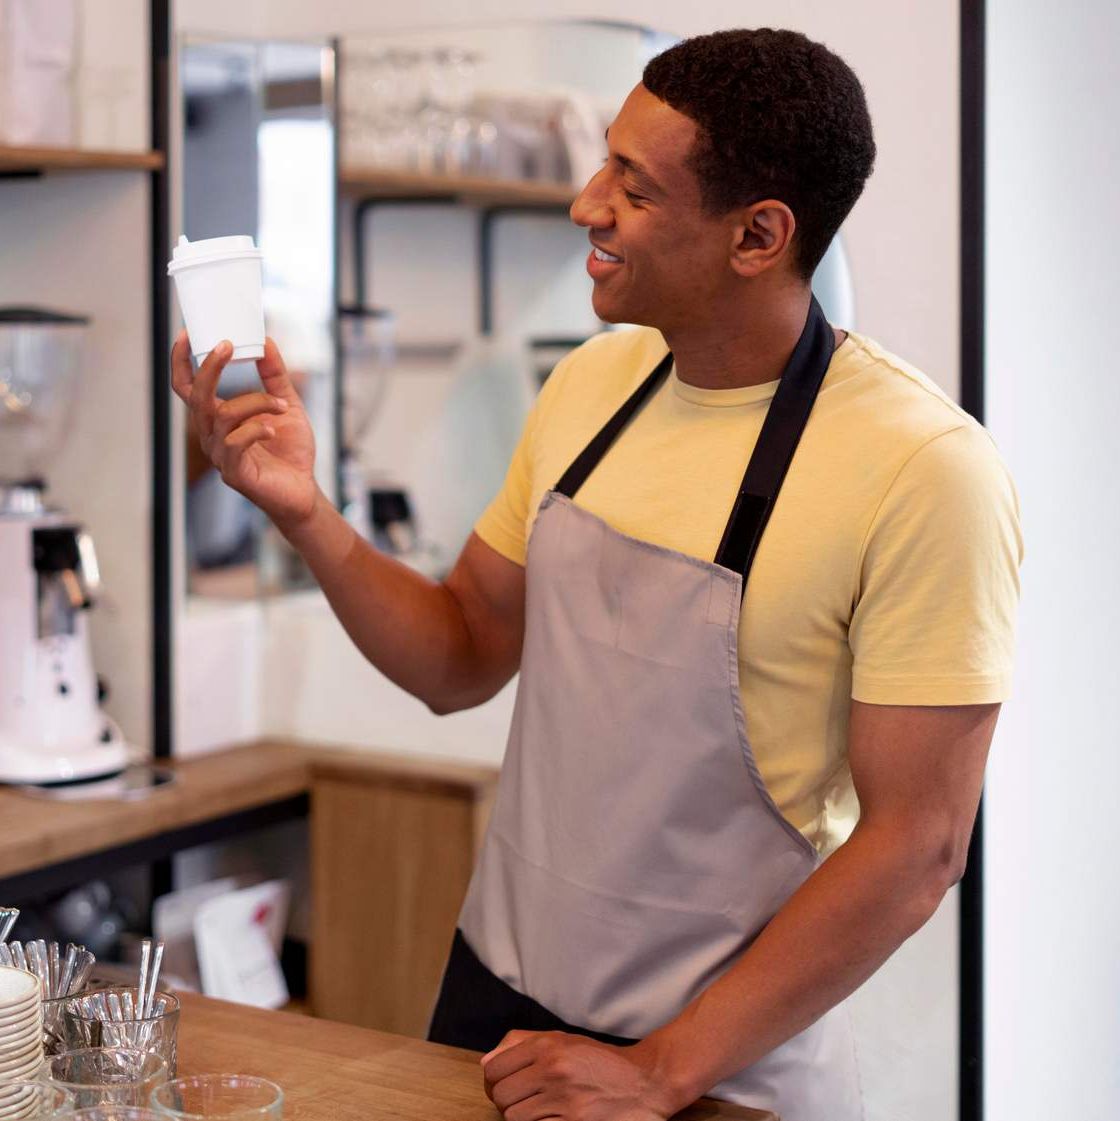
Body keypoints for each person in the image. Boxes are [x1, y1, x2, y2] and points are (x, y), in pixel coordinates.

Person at [171, 27, 1022, 1121]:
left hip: (718, 1068)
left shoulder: (925, 470)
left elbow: (917, 846)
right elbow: (461, 652)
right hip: (494, 1011)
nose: (584, 203)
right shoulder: (592, 383)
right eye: (601, 163)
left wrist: (661, 1066)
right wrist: (303, 511)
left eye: (633, 185)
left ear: (758, 235)